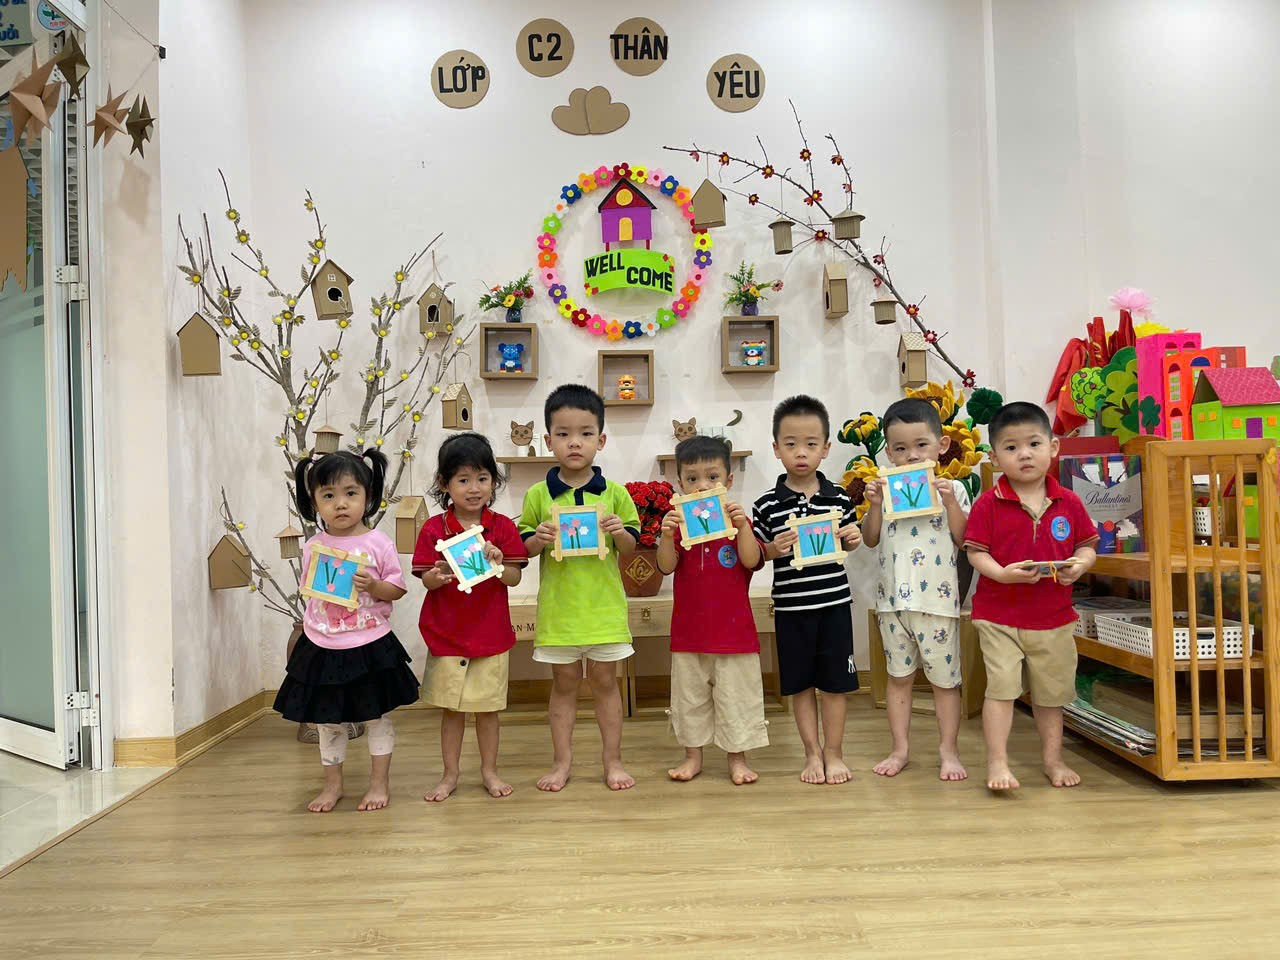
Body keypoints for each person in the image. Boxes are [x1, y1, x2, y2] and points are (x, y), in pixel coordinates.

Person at [273, 450, 419, 812]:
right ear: (314, 503)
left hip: (369, 645)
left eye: (350, 493)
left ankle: (379, 784)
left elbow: (397, 590)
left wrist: (374, 586)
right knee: (328, 722)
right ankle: (333, 785)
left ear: (368, 496)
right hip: (322, 645)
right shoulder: (313, 546)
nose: (340, 504)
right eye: (328, 495)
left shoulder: (379, 543)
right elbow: (313, 592)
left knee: (376, 718)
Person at [964, 401, 1098, 791]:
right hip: (997, 616)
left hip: (1054, 617)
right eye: (1011, 447)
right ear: (994, 457)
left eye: (1034, 444)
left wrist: (1080, 565)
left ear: (1053, 448)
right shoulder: (988, 503)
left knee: (1050, 696)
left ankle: (1053, 760)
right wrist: (1002, 575)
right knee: (1001, 689)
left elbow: (1087, 545)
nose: (1024, 454)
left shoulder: (1069, 501)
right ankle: (997, 762)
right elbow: (975, 553)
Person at [518, 384, 641, 792]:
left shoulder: (616, 494)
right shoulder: (538, 495)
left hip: (604, 610)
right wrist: (538, 538)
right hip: (560, 612)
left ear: (600, 441)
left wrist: (619, 531)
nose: (575, 442)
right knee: (564, 685)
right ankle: (562, 763)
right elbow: (523, 548)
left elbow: (630, 547)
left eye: (586, 433)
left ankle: (613, 762)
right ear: (548, 440)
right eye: (564, 433)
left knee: (606, 684)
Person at [752, 395, 863, 785]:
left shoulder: (840, 497)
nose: (801, 452)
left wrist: (853, 538)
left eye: (811, 444)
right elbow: (755, 555)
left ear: (826, 448)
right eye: (791, 444)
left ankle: (834, 753)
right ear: (776, 449)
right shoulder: (766, 505)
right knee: (799, 685)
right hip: (791, 609)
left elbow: (851, 541)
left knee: (835, 685)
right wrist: (771, 549)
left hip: (835, 606)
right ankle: (812, 753)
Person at [860, 398, 971, 781]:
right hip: (892, 605)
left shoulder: (953, 489)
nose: (911, 455)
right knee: (898, 678)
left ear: (941, 445)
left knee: (945, 682)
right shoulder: (885, 491)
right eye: (900, 448)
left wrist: (950, 502)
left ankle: (949, 751)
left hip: (937, 605)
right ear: (888, 453)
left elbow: (964, 540)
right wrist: (875, 505)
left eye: (921, 445)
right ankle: (900, 749)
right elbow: (870, 539)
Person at [412, 433, 526, 801]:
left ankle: (490, 771)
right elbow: (427, 580)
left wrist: (498, 563)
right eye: (463, 480)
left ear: (494, 481)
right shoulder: (434, 529)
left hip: (491, 635)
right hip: (446, 636)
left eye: (482, 478)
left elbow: (514, 577)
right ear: (444, 484)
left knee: (489, 711)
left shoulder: (503, 527)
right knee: (452, 710)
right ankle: (450, 775)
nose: (474, 488)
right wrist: (437, 575)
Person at [656, 435, 769, 785]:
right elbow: (665, 567)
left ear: (728, 481)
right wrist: (665, 536)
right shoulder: (680, 526)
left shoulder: (737, 522)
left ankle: (738, 759)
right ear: (680, 483)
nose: (702, 485)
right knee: (689, 698)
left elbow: (751, 560)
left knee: (737, 697)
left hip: (735, 634)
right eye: (692, 478)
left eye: (712, 477)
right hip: (689, 633)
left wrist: (743, 527)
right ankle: (693, 757)